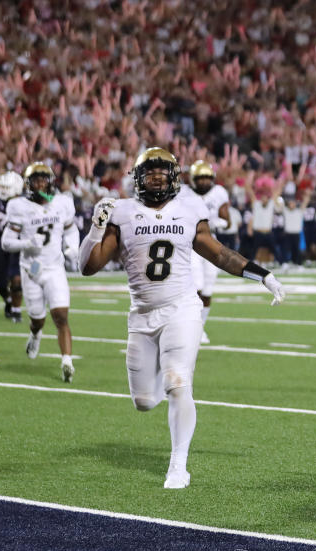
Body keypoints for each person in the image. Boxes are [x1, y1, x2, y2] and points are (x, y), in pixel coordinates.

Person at [78, 147, 285, 489]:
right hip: (142, 314)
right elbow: (88, 267)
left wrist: (261, 275)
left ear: (174, 178)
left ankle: (178, 465)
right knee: (144, 401)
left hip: (182, 308)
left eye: (163, 171)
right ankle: (166, 379)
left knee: (177, 382)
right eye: (150, 172)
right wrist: (95, 229)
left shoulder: (189, 209)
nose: (156, 177)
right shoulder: (123, 211)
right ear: (138, 178)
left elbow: (219, 254)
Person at [0, 162, 79, 382]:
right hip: (31, 270)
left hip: (55, 267)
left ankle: (66, 361)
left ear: (51, 181)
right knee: (38, 319)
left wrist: (73, 247)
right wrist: (26, 243)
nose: (41, 183)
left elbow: (72, 230)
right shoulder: (19, 206)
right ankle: (35, 334)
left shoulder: (62, 203)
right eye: (36, 180)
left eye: (44, 179)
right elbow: (6, 242)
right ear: (28, 184)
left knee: (61, 316)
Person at [188, 160, 231, 344]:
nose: (204, 181)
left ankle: (200, 329)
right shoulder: (183, 193)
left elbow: (226, 218)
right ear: (192, 179)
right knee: (195, 287)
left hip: (212, 241)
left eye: (207, 177)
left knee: (208, 288)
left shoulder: (219, 192)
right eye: (200, 178)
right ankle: (191, 328)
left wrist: (221, 223)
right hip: (192, 242)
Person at [0, 171, 25, 322]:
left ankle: (16, 312)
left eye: (6, 187)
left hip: (17, 246)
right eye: (2, 187)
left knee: (16, 280)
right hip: (1, 246)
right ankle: (9, 301)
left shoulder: (25, 204)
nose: (2, 190)